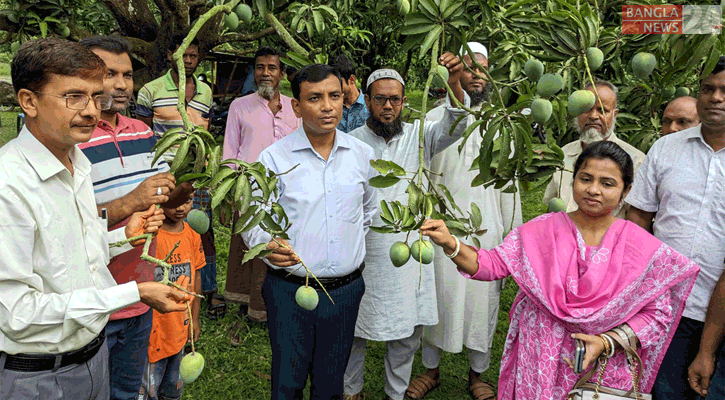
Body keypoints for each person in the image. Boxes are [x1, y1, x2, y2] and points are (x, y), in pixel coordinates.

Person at [420, 140, 699, 400]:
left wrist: (606, 342)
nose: (593, 190)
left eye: (608, 183)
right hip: (540, 356)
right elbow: (491, 265)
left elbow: (658, 315)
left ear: (626, 191)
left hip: (603, 369)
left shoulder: (640, 246)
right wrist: (451, 242)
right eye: (586, 179)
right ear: (573, 180)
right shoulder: (543, 229)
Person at [1, 37, 189, 400]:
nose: (91, 110)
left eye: (93, 96)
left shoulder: (76, 163)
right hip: (37, 376)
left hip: (91, 357)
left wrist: (121, 238)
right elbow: (17, 313)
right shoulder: (9, 186)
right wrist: (133, 292)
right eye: (74, 97)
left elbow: (64, 256)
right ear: (28, 101)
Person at [241, 63, 377, 400]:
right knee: (288, 382)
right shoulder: (273, 159)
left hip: (345, 291)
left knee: (331, 384)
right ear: (297, 107)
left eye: (334, 96)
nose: (328, 106)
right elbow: (253, 218)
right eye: (315, 98)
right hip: (290, 292)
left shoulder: (362, 154)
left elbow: (368, 211)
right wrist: (266, 244)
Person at [344, 53, 470, 400]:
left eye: (395, 99)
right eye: (381, 99)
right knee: (354, 329)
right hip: (364, 251)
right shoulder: (351, 142)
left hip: (410, 252)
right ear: (367, 100)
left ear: (404, 101)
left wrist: (454, 79)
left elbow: (457, 121)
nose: (388, 106)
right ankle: (350, 391)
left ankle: (395, 393)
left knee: (407, 332)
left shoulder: (420, 136)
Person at [407, 42, 522, 400]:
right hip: (441, 228)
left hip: (486, 230)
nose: (475, 75)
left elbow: (510, 187)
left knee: (481, 303)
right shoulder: (431, 121)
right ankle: (431, 370)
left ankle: (478, 374)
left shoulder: (503, 125)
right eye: (467, 68)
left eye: (481, 68)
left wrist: (512, 238)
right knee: (436, 299)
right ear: (453, 72)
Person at [77, 35, 181, 400]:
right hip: (93, 302)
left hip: (141, 294)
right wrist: (131, 202)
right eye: (109, 74)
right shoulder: (69, 138)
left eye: (127, 75)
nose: (121, 84)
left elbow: (164, 195)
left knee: (126, 391)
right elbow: (68, 225)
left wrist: (185, 184)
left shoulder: (143, 132)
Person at [626, 56, 725, 400]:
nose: (715, 97)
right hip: (665, 307)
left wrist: (708, 350)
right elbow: (637, 221)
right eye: (708, 88)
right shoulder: (666, 149)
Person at [136, 34, 222, 320]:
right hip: (164, 174)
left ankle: (203, 290)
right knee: (161, 229)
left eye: (193, 56)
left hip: (197, 174)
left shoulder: (206, 92)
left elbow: (205, 130)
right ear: (172, 55)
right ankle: (160, 287)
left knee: (200, 231)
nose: (188, 60)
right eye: (184, 54)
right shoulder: (151, 90)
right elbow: (144, 135)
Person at [223, 46, 301, 342]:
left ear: (281, 73)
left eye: (272, 67)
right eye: (259, 67)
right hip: (248, 189)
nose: (265, 72)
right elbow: (230, 151)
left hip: (286, 192)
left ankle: (274, 308)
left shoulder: (296, 108)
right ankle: (246, 310)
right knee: (247, 248)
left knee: (279, 245)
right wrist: (229, 188)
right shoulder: (240, 106)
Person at [543, 80, 646, 219]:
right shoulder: (564, 153)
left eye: (602, 110)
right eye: (586, 109)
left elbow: (637, 220)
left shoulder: (636, 161)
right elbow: (552, 206)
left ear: (614, 115)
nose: (593, 116)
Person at [139, 194, 204, 400]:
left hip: (180, 328)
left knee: (171, 391)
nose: (180, 208)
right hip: (152, 332)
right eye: (174, 202)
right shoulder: (149, 236)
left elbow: (197, 274)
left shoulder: (193, 236)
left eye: (187, 201)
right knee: (148, 392)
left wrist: (195, 318)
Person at [329, 54, 369, 133]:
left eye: (338, 84)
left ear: (351, 80)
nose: (333, 89)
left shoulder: (369, 106)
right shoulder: (330, 107)